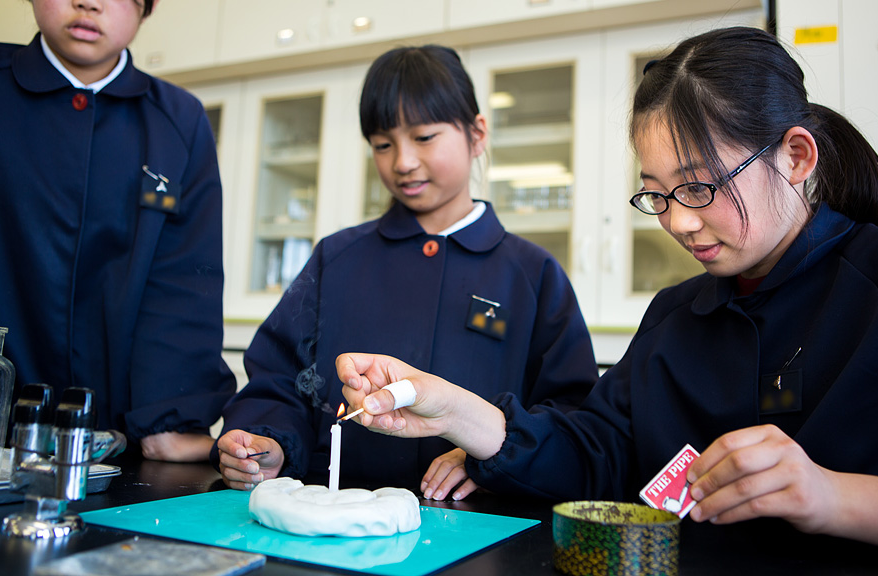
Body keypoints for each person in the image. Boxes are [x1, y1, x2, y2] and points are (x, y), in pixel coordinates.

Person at [336, 26, 878, 554]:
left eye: (698, 187)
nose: (679, 222)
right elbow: (592, 455)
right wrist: (451, 408)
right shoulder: (676, 317)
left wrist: (829, 495)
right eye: (658, 195)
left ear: (796, 156)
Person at [215, 45, 598, 500]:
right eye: (383, 144)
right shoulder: (337, 258)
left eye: (424, 137)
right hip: (334, 516)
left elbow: (571, 417)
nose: (402, 162)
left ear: (477, 135)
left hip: (476, 524)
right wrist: (269, 444)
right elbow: (278, 380)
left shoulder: (533, 274)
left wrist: (491, 450)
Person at [0, 0, 236, 462]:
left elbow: (185, 281)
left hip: (114, 441)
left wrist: (168, 417)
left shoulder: (177, 121)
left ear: (151, 0)